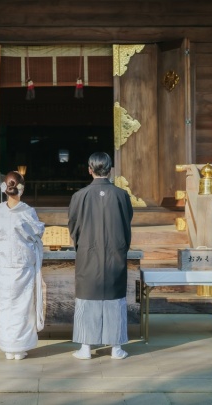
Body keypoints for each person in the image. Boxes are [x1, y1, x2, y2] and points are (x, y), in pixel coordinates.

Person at [68, 152, 133, 360]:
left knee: (88, 298)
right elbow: (126, 222)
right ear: (110, 169)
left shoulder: (80, 196)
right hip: (115, 252)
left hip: (88, 253)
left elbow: (73, 227)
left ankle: (86, 347)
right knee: (115, 299)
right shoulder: (122, 195)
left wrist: (81, 244)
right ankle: (116, 348)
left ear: (89, 169)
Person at [0, 171, 46, 361]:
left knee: (5, 306)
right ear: (21, 188)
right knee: (22, 307)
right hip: (23, 266)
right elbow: (37, 236)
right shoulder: (28, 212)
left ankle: (8, 347)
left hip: (3, 266)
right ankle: (19, 347)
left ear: (4, 188)